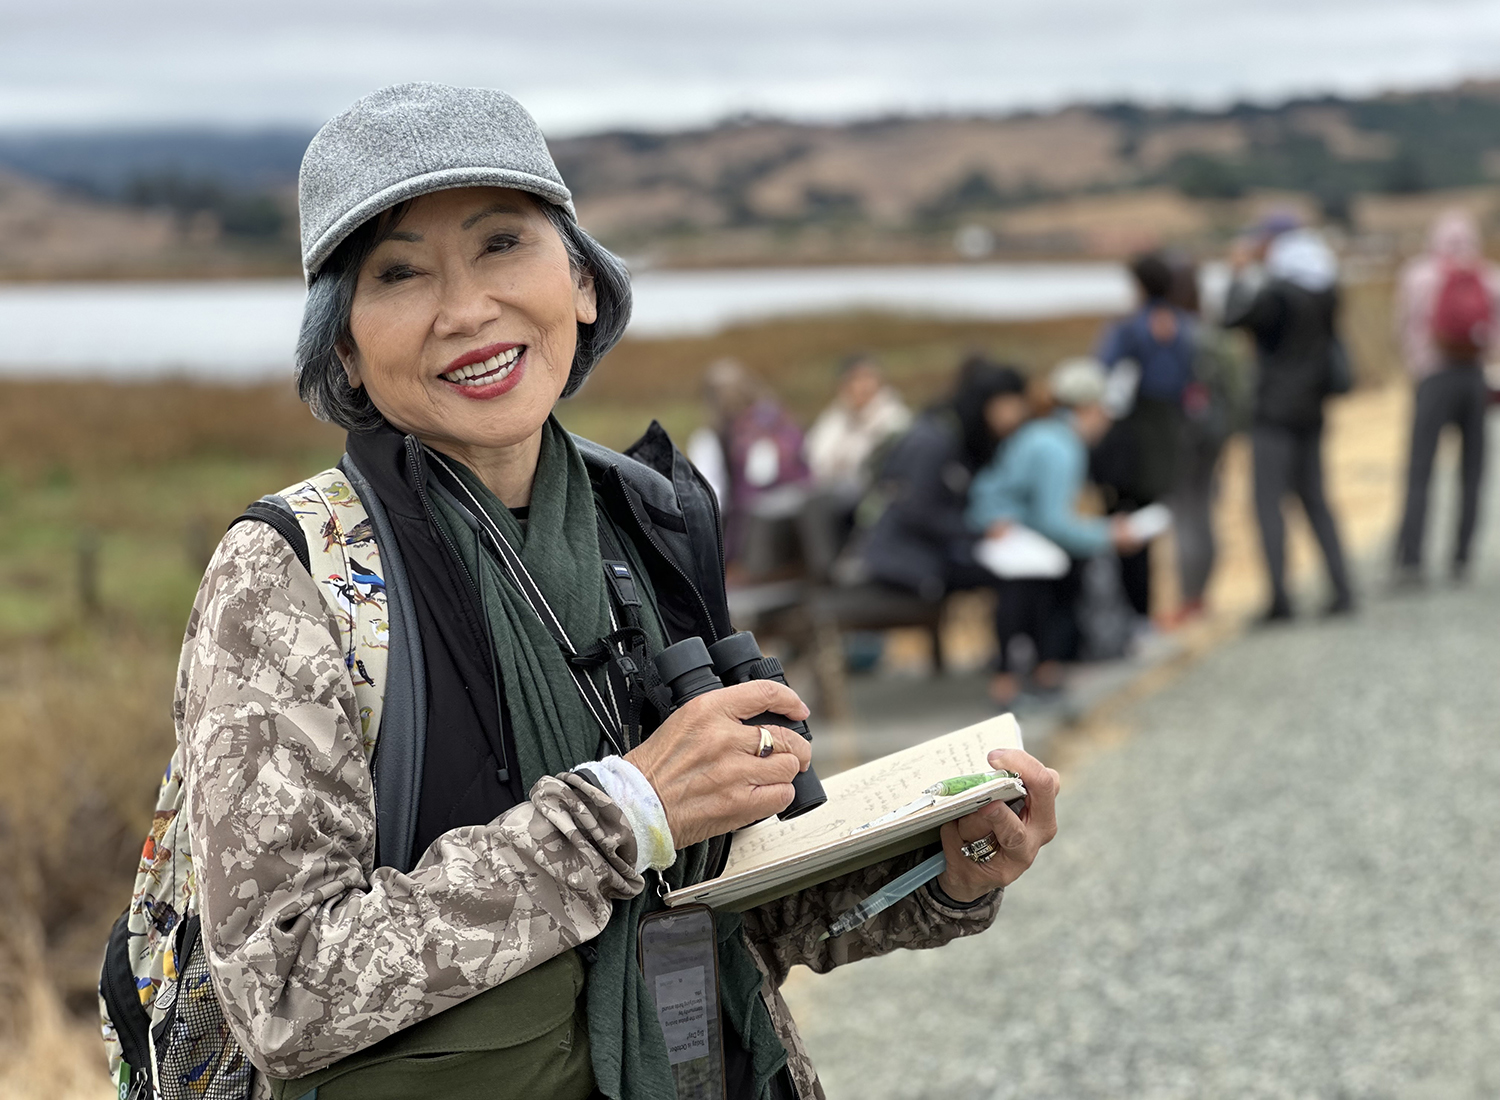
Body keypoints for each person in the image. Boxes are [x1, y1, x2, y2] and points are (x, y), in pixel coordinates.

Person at [167, 83, 1059, 1100]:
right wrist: (623, 811)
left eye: (503, 244)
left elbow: (721, 914)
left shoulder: (648, 518)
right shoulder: (292, 574)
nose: (466, 310)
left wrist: (939, 873)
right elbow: (285, 990)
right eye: (401, 272)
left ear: (583, 281)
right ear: (345, 347)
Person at [968, 359, 1143, 707]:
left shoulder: (1041, 432)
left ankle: (1038, 672)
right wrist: (1110, 535)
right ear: (1088, 408)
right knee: (1060, 572)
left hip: (991, 530)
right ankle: (1038, 675)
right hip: (1006, 543)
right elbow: (1052, 523)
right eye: (1104, 412)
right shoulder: (1061, 447)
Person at [1223, 219, 1355, 621]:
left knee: (1268, 504)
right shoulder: (1326, 290)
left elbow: (1230, 318)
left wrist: (1239, 272)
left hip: (1274, 413)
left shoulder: (1277, 294)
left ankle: (1280, 598)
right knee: (1316, 500)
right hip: (1312, 408)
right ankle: (1342, 587)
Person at [860, 357, 1030, 601]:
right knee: (1017, 579)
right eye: (1010, 405)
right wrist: (980, 533)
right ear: (986, 403)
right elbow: (917, 511)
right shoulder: (934, 441)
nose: (1017, 415)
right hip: (904, 561)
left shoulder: (950, 434)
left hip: (919, 555)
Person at [1392, 209, 1497, 582]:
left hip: (1432, 378)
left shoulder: (1419, 275)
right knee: (1472, 471)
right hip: (1473, 378)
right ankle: (1462, 557)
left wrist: (1416, 363)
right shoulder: (1488, 276)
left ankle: (1412, 559)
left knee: (1420, 468)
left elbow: (1402, 326)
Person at [1092, 252, 1197, 620]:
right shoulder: (1184, 326)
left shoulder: (1129, 328)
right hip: (1168, 435)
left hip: (1130, 438)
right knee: (1150, 523)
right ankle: (1145, 612)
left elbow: (1100, 375)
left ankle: (1131, 614)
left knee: (1125, 522)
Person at [1162, 255, 1252, 624]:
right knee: (1205, 513)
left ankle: (1188, 599)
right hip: (1214, 436)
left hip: (1180, 438)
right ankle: (1202, 598)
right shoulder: (1214, 334)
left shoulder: (1171, 333)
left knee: (1185, 516)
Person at [688, 358, 810, 565]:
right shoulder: (778, 416)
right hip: (796, 503)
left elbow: (719, 494)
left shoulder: (727, 434)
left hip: (755, 517)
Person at [804, 353, 912, 491]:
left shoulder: (896, 419)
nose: (864, 386)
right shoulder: (834, 419)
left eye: (868, 377)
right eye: (856, 379)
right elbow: (817, 460)